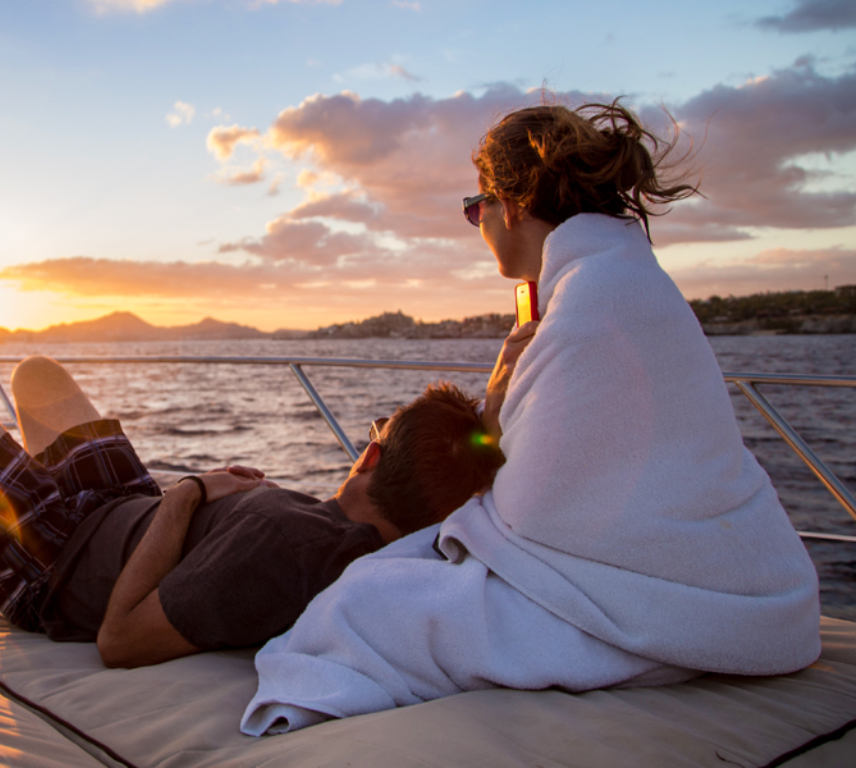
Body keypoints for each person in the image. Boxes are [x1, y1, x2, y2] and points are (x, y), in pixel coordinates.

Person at [240, 100, 822, 735]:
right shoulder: (630, 281)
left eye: (474, 209)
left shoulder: (583, 304)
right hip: (740, 576)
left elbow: (533, 516)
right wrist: (498, 403)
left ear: (508, 205)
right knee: (397, 570)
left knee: (360, 603)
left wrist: (467, 504)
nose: (477, 224)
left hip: (655, 596)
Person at [0, 354, 503, 668]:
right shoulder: (372, 544)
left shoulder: (285, 543)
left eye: (374, 434)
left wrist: (190, 496)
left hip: (61, 554)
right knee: (36, 373)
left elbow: (119, 638)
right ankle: (13, 469)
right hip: (126, 507)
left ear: (370, 458)